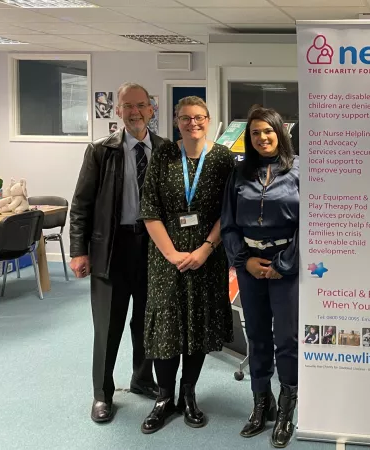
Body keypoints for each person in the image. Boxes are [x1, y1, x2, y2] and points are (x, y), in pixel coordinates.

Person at [138, 96, 235, 434]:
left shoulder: (222, 158)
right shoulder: (163, 154)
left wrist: (206, 249)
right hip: (166, 257)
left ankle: (188, 394)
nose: (192, 123)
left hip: (207, 257)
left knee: (198, 323)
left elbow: (228, 211)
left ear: (208, 120)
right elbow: (149, 209)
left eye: (199, 117)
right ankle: (164, 398)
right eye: (184, 118)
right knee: (167, 326)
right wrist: (171, 254)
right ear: (176, 121)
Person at [70, 82, 161, 423]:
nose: (135, 112)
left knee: (147, 321)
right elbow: (80, 205)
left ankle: (142, 379)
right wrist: (78, 251)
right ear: (118, 111)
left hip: (153, 249)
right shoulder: (100, 151)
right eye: (128, 106)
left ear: (151, 109)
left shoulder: (165, 150)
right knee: (108, 326)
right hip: (111, 248)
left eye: (141, 105)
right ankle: (102, 394)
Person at [221, 107, 299, 448]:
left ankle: (285, 409)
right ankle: (261, 401)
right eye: (255, 133)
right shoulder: (239, 174)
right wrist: (244, 260)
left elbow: (309, 224)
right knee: (256, 336)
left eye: (268, 131)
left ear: (280, 133)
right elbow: (228, 223)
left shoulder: (300, 171)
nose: (262, 137)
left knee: (287, 338)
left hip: (287, 267)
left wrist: (283, 263)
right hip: (250, 265)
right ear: (248, 138)